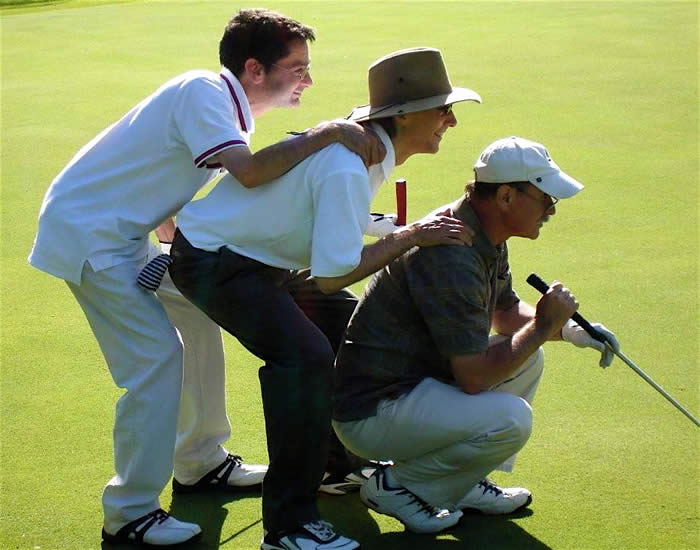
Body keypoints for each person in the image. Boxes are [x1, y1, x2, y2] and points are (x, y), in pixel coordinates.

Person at [27, 8, 384, 547]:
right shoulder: (204, 92)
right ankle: (129, 512)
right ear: (254, 70)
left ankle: (199, 460)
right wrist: (325, 132)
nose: (308, 80)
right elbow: (249, 171)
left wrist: (171, 241)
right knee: (155, 362)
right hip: (92, 237)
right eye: (297, 67)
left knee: (196, 313)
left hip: (127, 236)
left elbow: (170, 181)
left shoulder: (230, 112)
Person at [168, 47, 480, 550]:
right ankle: (287, 526)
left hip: (264, 259)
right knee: (305, 359)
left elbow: (329, 248)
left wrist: (387, 228)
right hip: (214, 261)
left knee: (349, 327)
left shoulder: (367, 151)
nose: (452, 120)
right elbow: (333, 275)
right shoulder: (348, 164)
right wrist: (409, 235)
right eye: (442, 108)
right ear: (402, 116)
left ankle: (336, 466)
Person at [332, 136, 621, 534]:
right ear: (505, 196)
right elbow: (474, 378)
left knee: (526, 358)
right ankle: (397, 486)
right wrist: (541, 325)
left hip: (411, 387)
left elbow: (504, 315)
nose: (552, 208)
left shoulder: (479, 230)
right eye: (544, 198)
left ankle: (459, 482)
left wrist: (570, 330)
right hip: (373, 412)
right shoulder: (454, 253)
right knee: (512, 419)